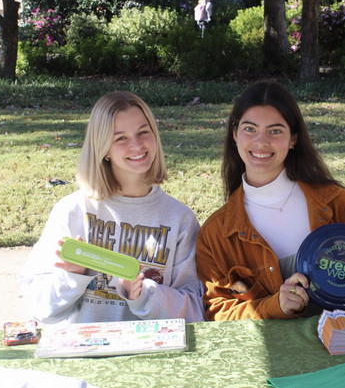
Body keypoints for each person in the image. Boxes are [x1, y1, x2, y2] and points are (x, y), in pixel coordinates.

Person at [196, 81, 345, 321]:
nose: (261, 142)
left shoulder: (338, 203)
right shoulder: (216, 234)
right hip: (271, 357)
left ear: (293, 138)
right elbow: (217, 311)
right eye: (250, 129)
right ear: (234, 134)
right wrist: (274, 306)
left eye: (275, 131)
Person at [19, 91, 205, 324]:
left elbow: (195, 311)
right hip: (83, 355)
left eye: (143, 132)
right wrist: (71, 276)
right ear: (103, 148)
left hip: (153, 355)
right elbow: (40, 308)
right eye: (121, 138)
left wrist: (142, 294)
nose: (136, 145)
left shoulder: (180, 220)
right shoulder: (73, 210)